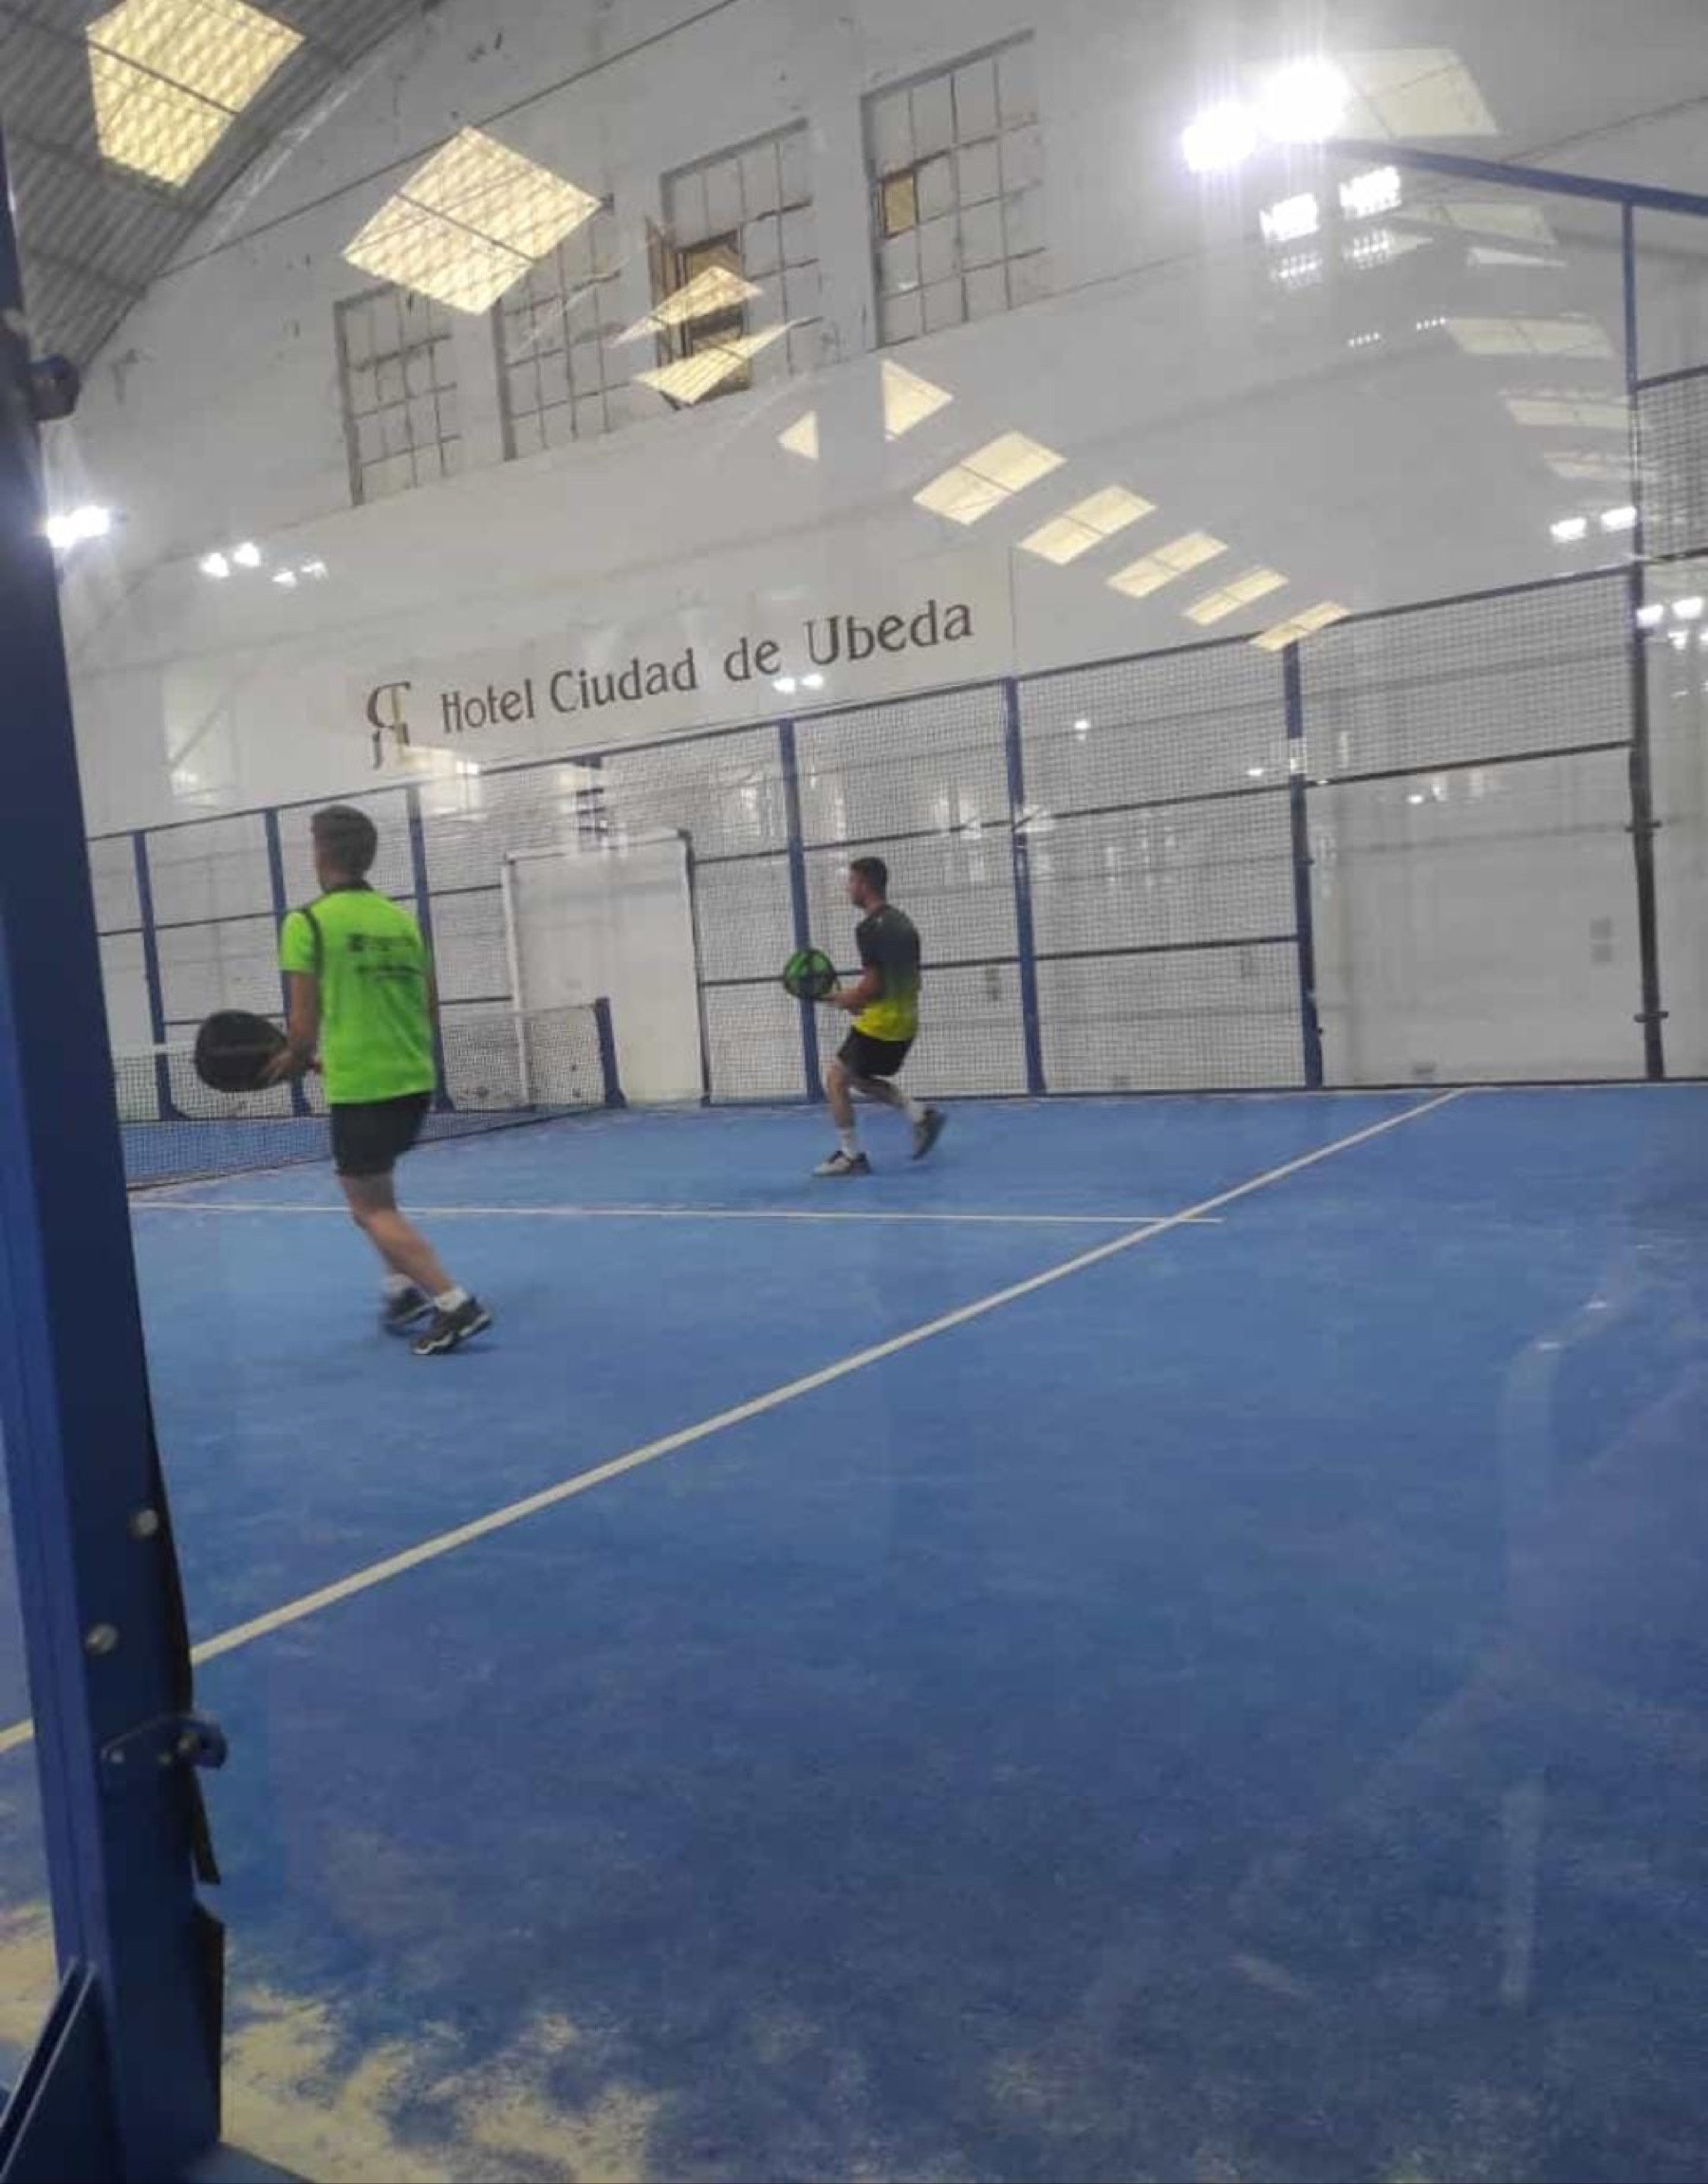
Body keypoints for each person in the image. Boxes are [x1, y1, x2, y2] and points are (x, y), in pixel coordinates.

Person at [265, 804, 492, 1356]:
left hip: (364, 1091)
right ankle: (400, 1292)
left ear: (320, 853)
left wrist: (289, 1062)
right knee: (376, 1195)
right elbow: (427, 1009)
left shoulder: (306, 923)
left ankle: (454, 1303)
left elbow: (301, 1030)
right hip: (413, 1081)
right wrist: (341, 1056)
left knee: (369, 1209)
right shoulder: (400, 921)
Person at [816, 856, 946, 1178]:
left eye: (851, 881)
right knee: (857, 1077)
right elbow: (896, 980)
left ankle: (851, 1156)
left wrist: (841, 999)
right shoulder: (904, 922)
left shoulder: (868, 929)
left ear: (864, 884)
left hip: (881, 1025)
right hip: (906, 1022)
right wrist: (856, 999)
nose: (847, 888)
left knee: (835, 1078)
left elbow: (873, 987)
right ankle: (919, 1114)